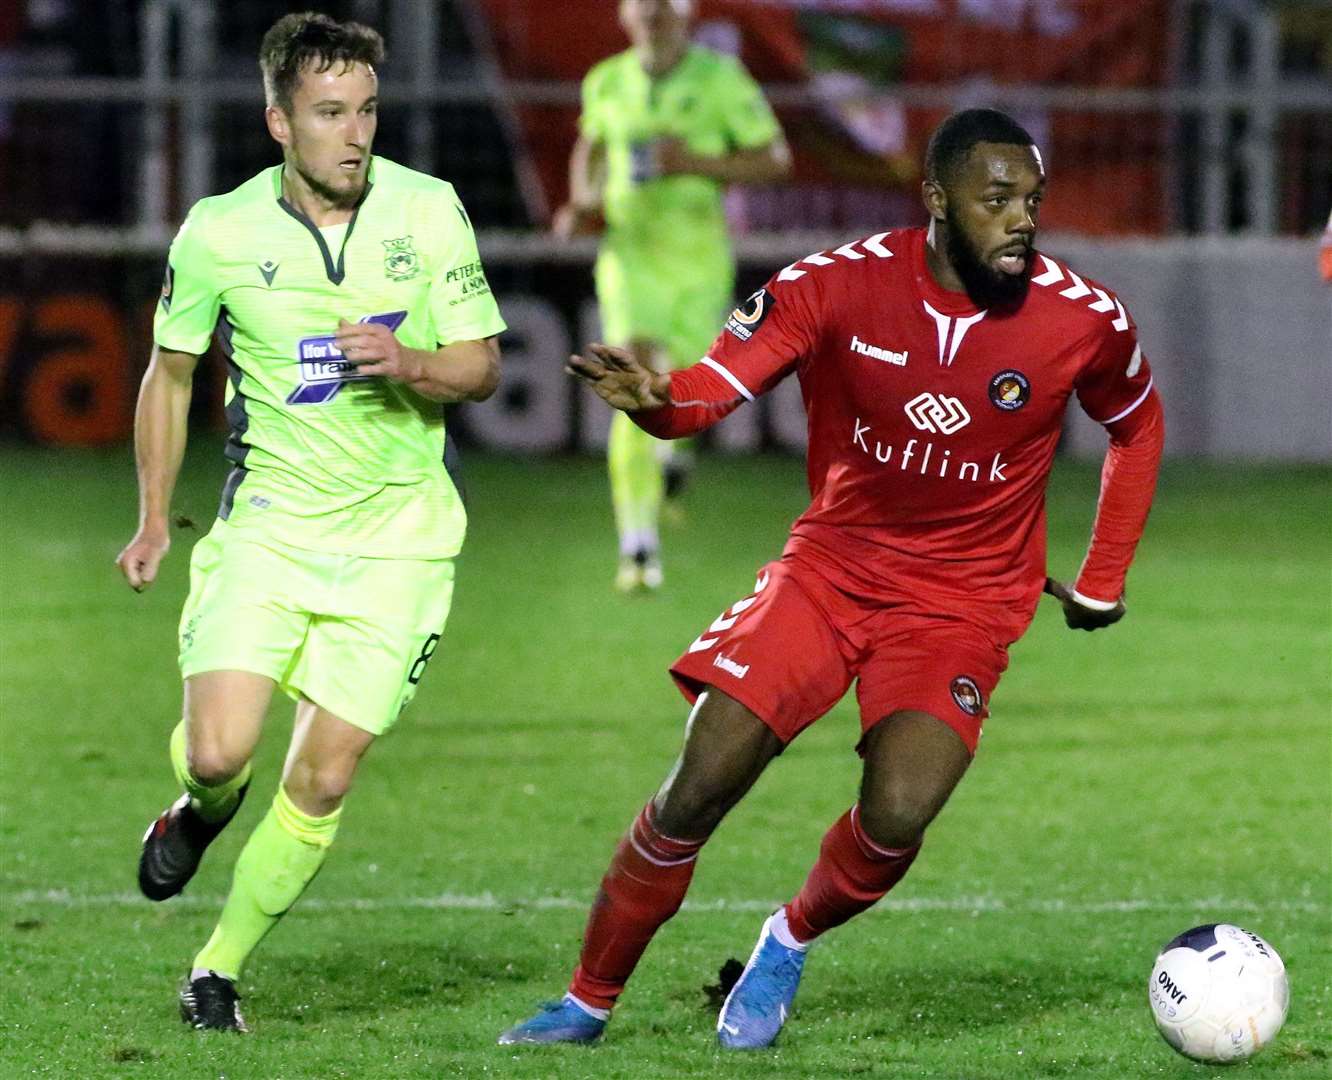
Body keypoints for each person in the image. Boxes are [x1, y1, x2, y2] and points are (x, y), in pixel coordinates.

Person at [499, 107, 1164, 1048]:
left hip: (963, 605)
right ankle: (586, 1000)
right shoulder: (835, 284)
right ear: (935, 199)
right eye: (998, 199)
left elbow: (1138, 424)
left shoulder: (1081, 319)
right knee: (699, 783)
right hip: (830, 573)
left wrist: (1102, 575)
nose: (1023, 219)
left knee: (897, 814)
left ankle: (787, 938)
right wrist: (657, 404)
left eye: (1033, 200)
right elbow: (710, 390)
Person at [117, 12, 505, 1032]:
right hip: (271, 534)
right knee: (216, 756)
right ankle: (200, 812)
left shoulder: (429, 212)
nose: (355, 133)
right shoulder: (220, 232)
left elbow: (480, 365)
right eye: (330, 113)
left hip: (402, 543)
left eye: (367, 110)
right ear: (280, 123)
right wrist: (155, 517)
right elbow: (169, 372)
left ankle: (216, 970)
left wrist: (411, 364)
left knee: (326, 774)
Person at [554, 0, 790, 591]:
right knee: (633, 373)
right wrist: (582, 202)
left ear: (687, 19)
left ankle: (673, 455)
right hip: (629, 255)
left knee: (679, 383)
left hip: (696, 262)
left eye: (665, 12)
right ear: (627, 19)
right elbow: (593, 149)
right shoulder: (607, 80)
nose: (654, 21)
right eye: (645, 12)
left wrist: (695, 161)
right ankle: (637, 547)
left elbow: (775, 161)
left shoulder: (720, 79)